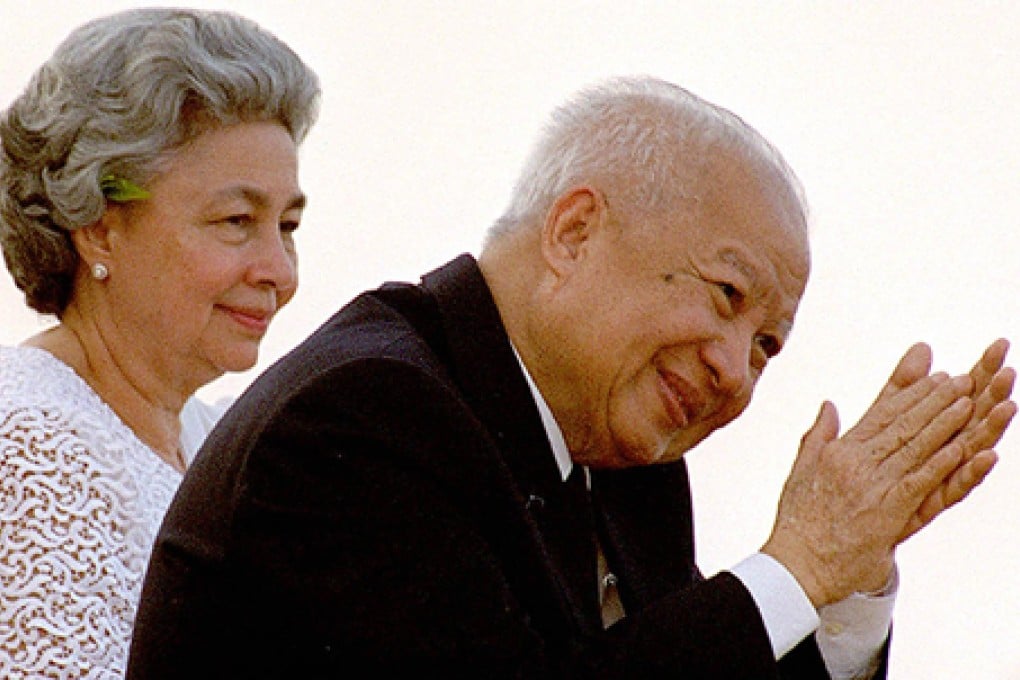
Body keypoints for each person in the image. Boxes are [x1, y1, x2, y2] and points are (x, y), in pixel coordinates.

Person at [128, 76, 1014, 679]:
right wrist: (798, 564)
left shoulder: (633, 471)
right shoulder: (362, 418)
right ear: (574, 233)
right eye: (727, 295)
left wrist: (848, 587)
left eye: (765, 348)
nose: (733, 372)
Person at [0, 8, 319, 677]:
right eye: (237, 220)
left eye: (286, 225)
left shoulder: (213, 436)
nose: (279, 271)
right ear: (99, 227)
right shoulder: (35, 442)